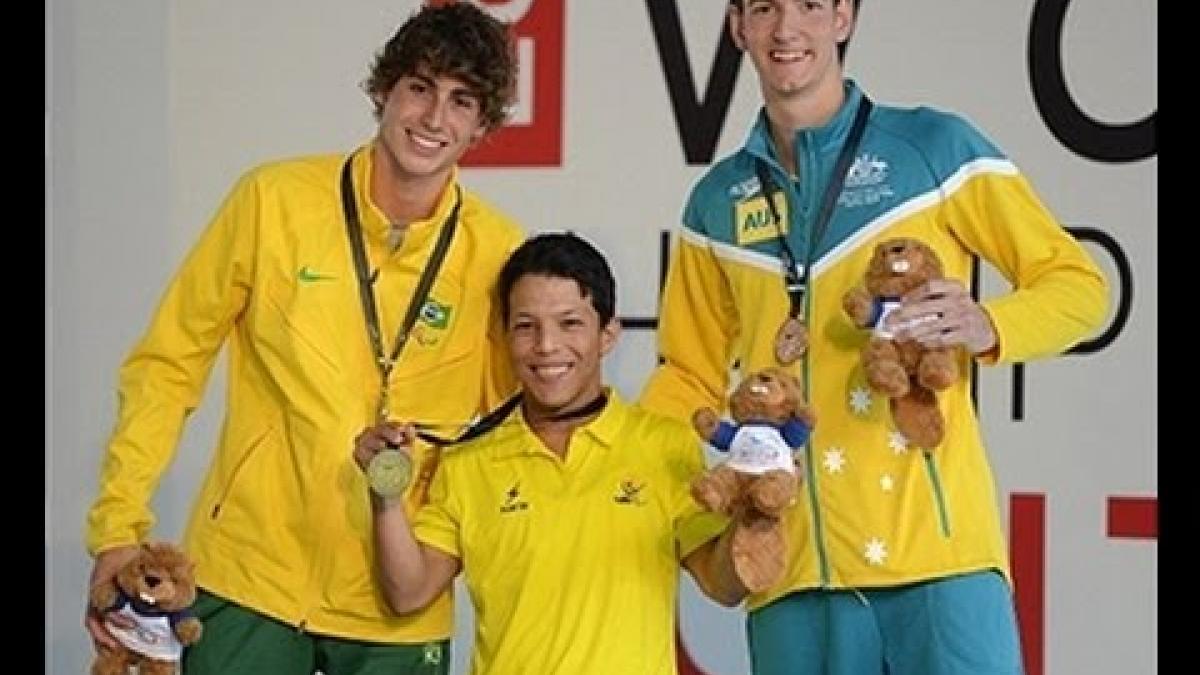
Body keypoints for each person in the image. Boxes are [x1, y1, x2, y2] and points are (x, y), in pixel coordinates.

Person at [639, 1, 1109, 674]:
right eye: (764, 8)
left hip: (940, 568)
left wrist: (990, 323)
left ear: (843, 16)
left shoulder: (933, 147)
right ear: (738, 24)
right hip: (794, 581)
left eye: (808, 5)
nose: (786, 29)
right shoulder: (716, 202)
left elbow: (1079, 285)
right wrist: (699, 534)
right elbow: (685, 377)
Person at [84, 4, 523, 674]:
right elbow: (168, 365)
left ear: (483, 125)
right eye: (419, 87)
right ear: (383, 91)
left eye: (462, 101)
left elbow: (505, 443)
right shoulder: (272, 202)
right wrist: (119, 525)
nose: (435, 119)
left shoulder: (497, 255)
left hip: (396, 603)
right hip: (250, 575)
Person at [352, 232, 747, 675]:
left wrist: (754, 517)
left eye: (570, 323)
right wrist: (385, 493)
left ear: (608, 334)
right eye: (526, 326)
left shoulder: (663, 444)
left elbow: (723, 584)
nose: (546, 346)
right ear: (504, 337)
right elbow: (409, 592)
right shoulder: (469, 461)